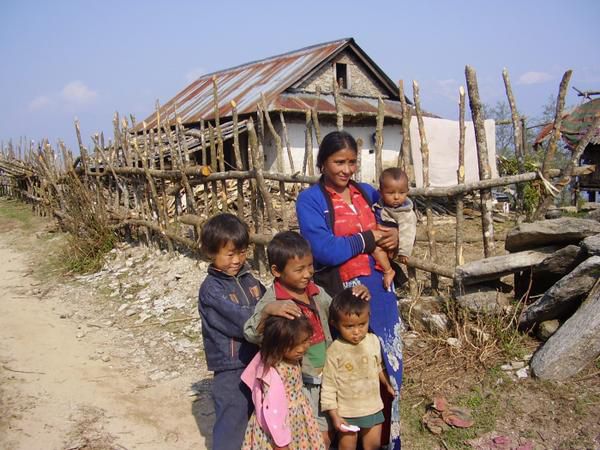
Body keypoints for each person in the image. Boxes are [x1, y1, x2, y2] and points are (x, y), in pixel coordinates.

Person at [296, 130, 404, 449]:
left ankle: (384, 440)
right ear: (322, 163)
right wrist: (368, 239)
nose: (346, 169)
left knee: (386, 365)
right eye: (338, 162)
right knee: (349, 368)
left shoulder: (366, 192)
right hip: (344, 294)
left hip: (381, 291)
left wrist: (394, 235)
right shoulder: (311, 200)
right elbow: (325, 249)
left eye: (352, 162)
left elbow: (392, 218)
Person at [244, 231, 370, 447]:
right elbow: (250, 333)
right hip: (301, 378)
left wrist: (354, 296)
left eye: (310, 266)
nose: (307, 274)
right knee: (313, 429)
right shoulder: (273, 301)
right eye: (299, 269)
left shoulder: (315, 292)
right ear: (276, 271)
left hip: (328, 371)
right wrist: (267, 312)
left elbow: (336, 311)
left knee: (331, 426)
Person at [198, 213, 266, 450]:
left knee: (259, 416)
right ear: (211, 252)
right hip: (231, 367)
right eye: (229, 254)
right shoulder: (211, 290)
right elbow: (244, 321)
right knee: (232, 421)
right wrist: (270, 315)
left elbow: (267, 300)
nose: (237, 260)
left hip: (256, 361)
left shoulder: (250, 280)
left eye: (242, 252)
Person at [321, 288, 396, 450]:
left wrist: (388, 384)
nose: (356, 332)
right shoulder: (335, 350)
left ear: (369, 318)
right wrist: (334, 415)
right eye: (349, 326)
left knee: (373, 446)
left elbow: (379, 367)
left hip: (373, 406)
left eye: (362, 324)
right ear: (335, 323)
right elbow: (329, 385)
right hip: (346, 412)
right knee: (347, 446)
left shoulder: (373, 341)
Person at [241, 315, 326, 450]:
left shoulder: (290, 359)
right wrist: (280, 443)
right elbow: (273, 409)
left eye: (305, 341)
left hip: (297, 420)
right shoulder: (274, 371)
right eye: (294, 345)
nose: (302, 348)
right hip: (279, 424)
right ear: (277, 344)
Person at [373, 167, 417, 288]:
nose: (397, 197)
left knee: (376, 250)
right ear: (380, 192)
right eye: (391, 193)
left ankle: (389, 271)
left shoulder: (405, 213)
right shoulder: (380, 205)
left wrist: (404, 252)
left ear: (407, 191)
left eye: (402, 193)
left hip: (394, 246)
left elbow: (408, 232)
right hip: (382, 240)